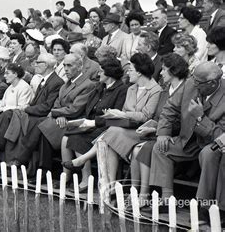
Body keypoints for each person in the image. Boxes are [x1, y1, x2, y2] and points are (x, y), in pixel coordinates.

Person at [149, 62, 225, 205]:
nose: (194, 84)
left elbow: (220, 136)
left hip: (212, 144)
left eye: (198, 82)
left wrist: (201, 118)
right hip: (188, 139)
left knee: (208, 154)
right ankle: (167, 200)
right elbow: (170, 108)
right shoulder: (191, 82)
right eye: (193, 79)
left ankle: (205, 205)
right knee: (160, 148)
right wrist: (164, 132)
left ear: (213, 83)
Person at [15, 54, 96, 172]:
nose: (66, 69)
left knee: (41, 126)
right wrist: (59, 114)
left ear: (79, 67)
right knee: (42, 129)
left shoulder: (87, 85)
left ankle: (23, 160)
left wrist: (55, 113)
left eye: (69, 65)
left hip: (75, 122)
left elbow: (75, 109)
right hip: (61, 119)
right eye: (64, 65)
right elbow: (57, 103)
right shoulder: (65, 85)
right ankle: (40, 169)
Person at [131, 53, 189, 205]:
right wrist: (150, 125)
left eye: (164, 69)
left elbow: (185, 121)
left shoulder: (187, 89)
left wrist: (156, 129)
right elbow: (159, 116)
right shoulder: (166, 89)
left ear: (174, 71)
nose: (161, 72)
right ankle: (136, 192)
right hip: (159, 134)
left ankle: (144, 195)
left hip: (178, 136)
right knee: (137, 147)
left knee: (144, 149)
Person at [61, 58, 128, 188]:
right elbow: (89, 108)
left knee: (78, 139)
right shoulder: (99, 87)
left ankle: (86, 179)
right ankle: (68, 177)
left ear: (109, 73)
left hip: (106, 127)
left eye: (101, 72)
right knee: (66, 137)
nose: (98, 74)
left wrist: (93, 122)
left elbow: (115, 115)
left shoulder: (121, 90)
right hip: (91, 124)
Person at [0, 53, 64, 165]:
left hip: (40, 116)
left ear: (45, 65)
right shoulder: (44, 80)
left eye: (38, 62)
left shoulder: (56, 82)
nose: (35, 64)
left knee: (10, 116)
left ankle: (7, 156)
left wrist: (26, 109)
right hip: (33, 113)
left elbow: (46, 107)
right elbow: (35, 102)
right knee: (8, 115)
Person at [99, 53, 162, 185]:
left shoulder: (156, 90)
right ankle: (111, 182)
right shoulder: (131, 88)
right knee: (110, 137)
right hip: (127, 128)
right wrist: (116, 114)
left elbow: (145, 116)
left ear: (139, 72)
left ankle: (109, 182)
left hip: (143, 132)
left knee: (110, 134)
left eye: (131, 69)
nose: (128, 72)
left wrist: (122, 114)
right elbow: (127, 111)